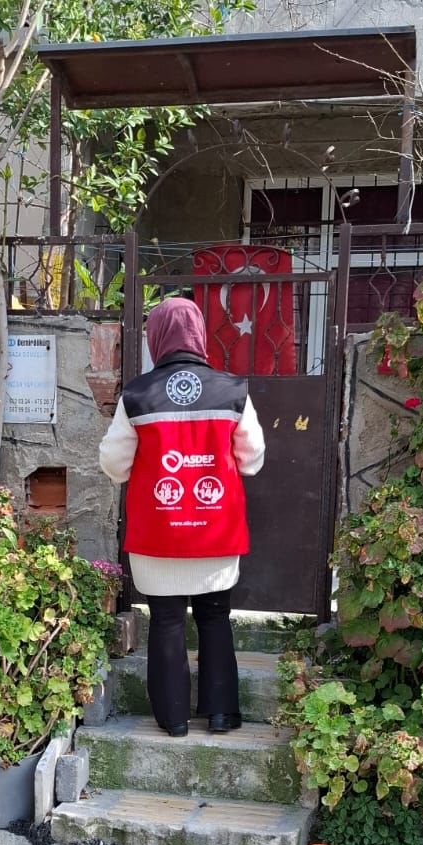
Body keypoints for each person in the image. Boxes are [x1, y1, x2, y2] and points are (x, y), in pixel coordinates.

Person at [99, 296, 265, 737]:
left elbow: (114, 464)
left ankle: (173, 720)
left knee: (166, 620)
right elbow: (252, 459)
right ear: (199, 334)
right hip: (216, 530)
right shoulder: (232, 390)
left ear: (156, 337)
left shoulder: (137, 395)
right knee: (215, 617)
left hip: (158, 532)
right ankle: (222, 713)